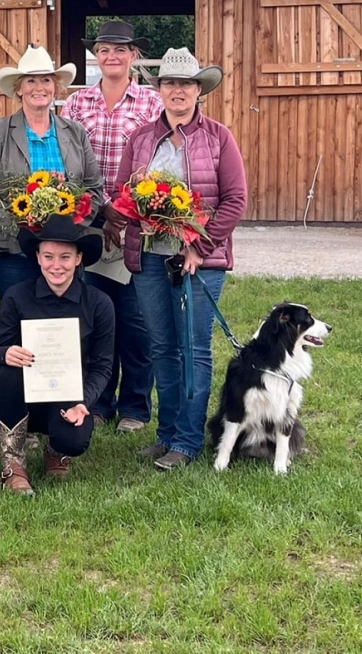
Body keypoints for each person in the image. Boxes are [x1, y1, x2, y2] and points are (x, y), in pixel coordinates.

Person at [117, 47, 247, 470]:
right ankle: (167, 434)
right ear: (160, 90)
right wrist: (134, 195)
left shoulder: (219, 137)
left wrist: (199, 247)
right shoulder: (140, 139)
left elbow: (235, 200)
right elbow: (122, 197)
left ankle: (189, 441)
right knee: (161, 348)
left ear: (198, 90)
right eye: (170, 83)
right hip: (151, 260)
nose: (178, 91)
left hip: (198, 263)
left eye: (185, 84)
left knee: (193, 349)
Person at [61, 21, 162, 433]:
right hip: (91, 223)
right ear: (95, 56)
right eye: (104, 49)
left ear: (133, 55)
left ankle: (136, 407)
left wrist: (128, 212)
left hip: (137, 224)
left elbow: (163, 165)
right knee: (96, 318)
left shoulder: (152, 104)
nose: (112, 57)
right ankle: (99, 400)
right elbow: (67, 164)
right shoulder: (76, 104)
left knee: (137, 321)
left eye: (120, 50)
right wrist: (101, 212)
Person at [0, 215, 115, 495]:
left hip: (67, 395)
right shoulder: (16, 296)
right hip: (23, 397)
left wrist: (84, 402)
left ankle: (56, 451)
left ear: (79, 258)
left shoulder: (99, 304)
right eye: (48, 256)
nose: (56, 265)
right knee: (8, 373)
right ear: (37, 257)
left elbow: (103, 366)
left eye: (65, 257)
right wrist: (7, 353)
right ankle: (13, 463)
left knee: (75, 440)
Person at [0, 44, 104, 297]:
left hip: (64, 254)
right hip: (13, 253)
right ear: (19, 89)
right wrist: (21, 230)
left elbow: (94, 188)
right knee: (18, 324)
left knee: (63, 324)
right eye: (30, 80)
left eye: (46, 80)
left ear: (56, 87)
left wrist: (72, 226)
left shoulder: (75, 132)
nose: (39, 87)